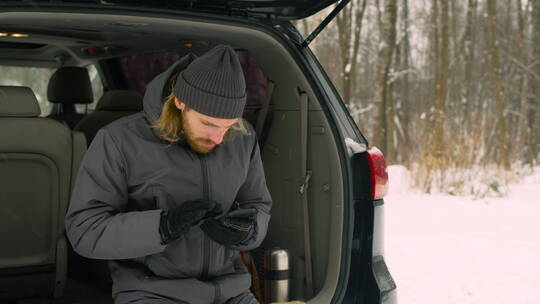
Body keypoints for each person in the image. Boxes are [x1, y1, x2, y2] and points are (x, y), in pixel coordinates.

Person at [65, 45, 272, 304]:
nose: (220, 138)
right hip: (152, 292)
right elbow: (84, 231)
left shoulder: (243, 138)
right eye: (208, 124)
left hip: (232, 292)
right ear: (180, 101)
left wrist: (247, 231)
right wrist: (162, 226)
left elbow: (259, 206)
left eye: (228, 126)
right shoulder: (118, 141)